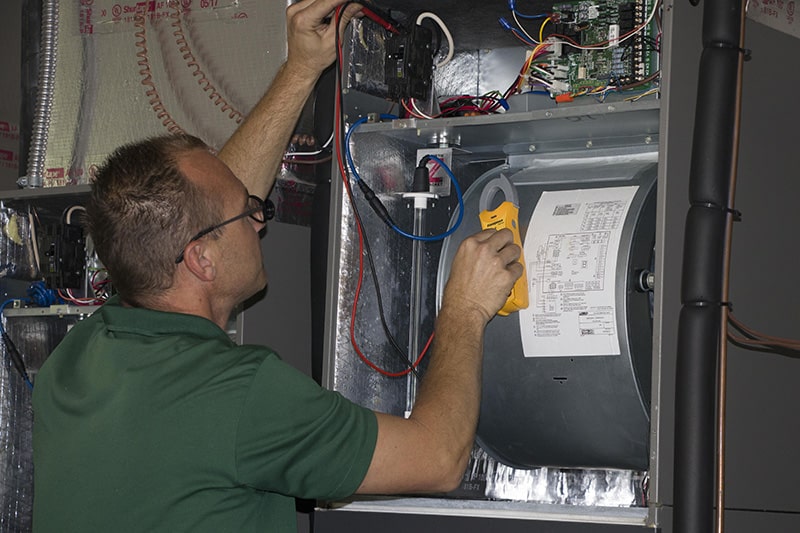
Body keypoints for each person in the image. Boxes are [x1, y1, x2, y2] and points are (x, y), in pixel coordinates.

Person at [31, 1, 524, 532]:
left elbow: (210, 208)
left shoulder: (81, 354)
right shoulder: (239, 395)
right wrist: (467, 307)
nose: (261, 219)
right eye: (247, 215)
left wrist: (302, 68)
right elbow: (438, 459)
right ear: (201, 260)